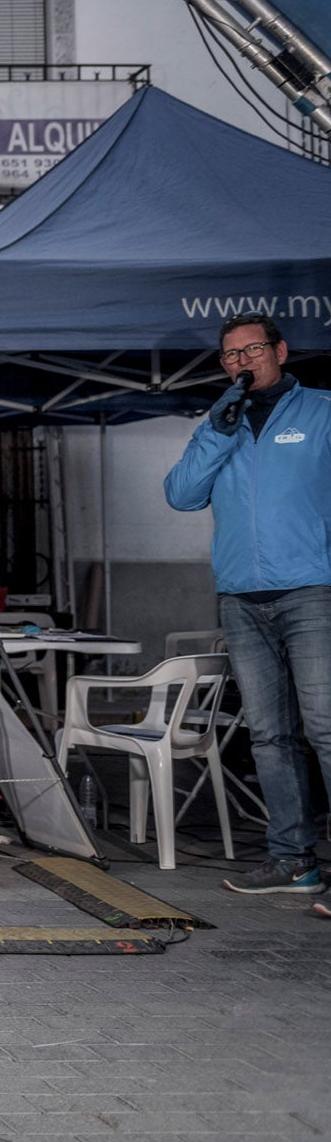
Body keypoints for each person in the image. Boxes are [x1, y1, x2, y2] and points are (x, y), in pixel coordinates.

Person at [163, 313, 331, 902]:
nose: (242, 361)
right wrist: (216, 429)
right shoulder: (220, 423)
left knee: (326, 728)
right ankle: (293, 860)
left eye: (253, 349)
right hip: (241, 596)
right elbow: (181, 495)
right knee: (269, 736)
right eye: (231, 355)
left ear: (280, 352)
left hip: (313, 591)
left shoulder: (322, 412)